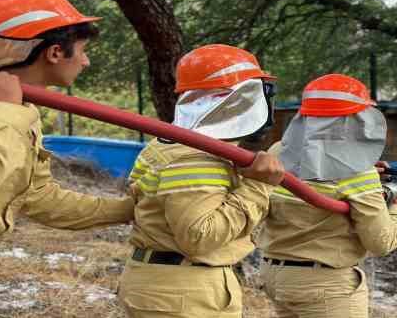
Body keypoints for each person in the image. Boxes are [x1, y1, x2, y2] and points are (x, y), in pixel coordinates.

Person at [0, 0, 136, 317]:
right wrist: (3, 108)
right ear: (56, 52)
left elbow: (38, 197)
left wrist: (128, 210)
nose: (85, 61)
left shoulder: (20, 111)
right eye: (83, 51)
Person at [118, 44, 285, 318]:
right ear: (239, 98)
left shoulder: (165, 144)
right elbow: (200, 238)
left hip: (168, 285)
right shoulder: (197, 156)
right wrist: (257, 186)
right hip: (185, 292)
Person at [258, 73, 397, 318]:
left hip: (276, 277)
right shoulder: (356, 168)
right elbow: (380, 242)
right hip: (326, 286)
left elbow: (316, 176)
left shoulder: (279, 150)